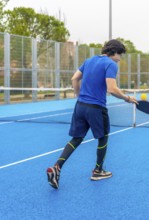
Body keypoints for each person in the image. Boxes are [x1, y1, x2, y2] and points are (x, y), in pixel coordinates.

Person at [46, 39, 138, 189]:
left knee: (76, 139)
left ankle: (57, 167)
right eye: (120, 55)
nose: (120, 58)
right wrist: (128, 98)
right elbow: (112, 89)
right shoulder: (110, 64)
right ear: (114, 52)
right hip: (96, 108)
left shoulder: (89, 61)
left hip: (80, 106)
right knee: (103, 138)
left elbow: (75, 78)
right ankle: (97, 171)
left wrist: (78, 95)